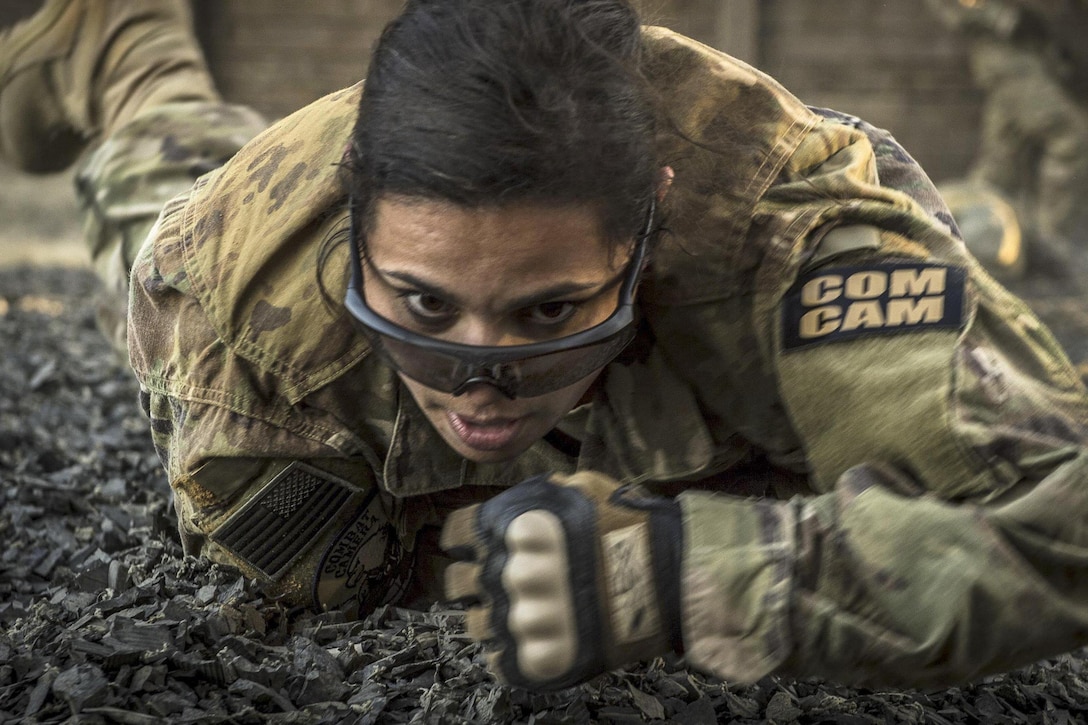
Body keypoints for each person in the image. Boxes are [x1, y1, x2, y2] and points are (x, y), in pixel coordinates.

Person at [2, 0, 1087, 693]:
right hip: (268, 252)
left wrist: (686, 574)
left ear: (648, 220)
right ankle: (123, 51)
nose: (479, 380)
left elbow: (1061, 524)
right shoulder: (243, 311)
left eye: (544, 311)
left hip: (726, 328)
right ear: (354, 217)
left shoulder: (795, 249)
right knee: (154, 186)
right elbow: (307, 573)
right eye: (427, 307)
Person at [926, 0, 1088, 283]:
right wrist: (1003, 18)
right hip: (1012, 50)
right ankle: (1055, 248)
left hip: (1043, 49)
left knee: (1003, 165)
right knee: (1072, 139)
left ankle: (953, 247)